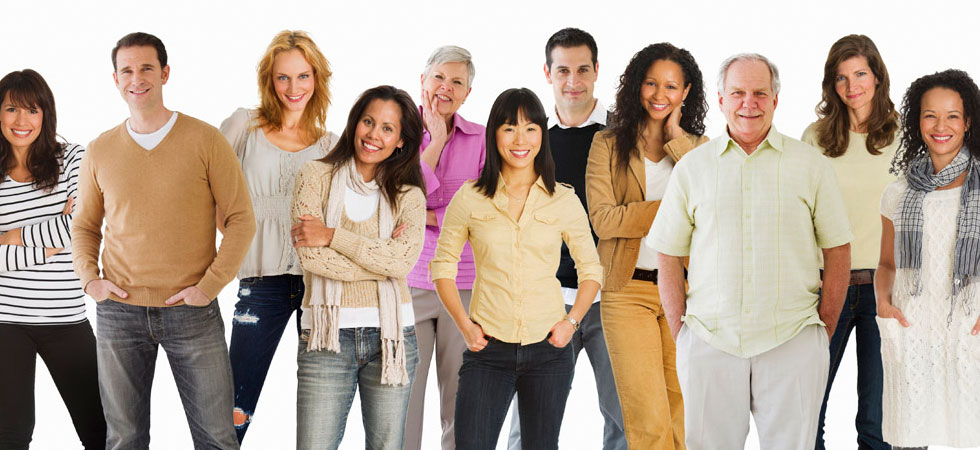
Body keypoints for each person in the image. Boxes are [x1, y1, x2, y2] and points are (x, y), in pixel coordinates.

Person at [649, 53, 853, 449]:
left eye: (760, 93)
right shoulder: (693, 168)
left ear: (776, 100)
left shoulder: (810, 165)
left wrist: (822, 330)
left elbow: (838, 248)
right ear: (722, 99)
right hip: (710, 341)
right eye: (738, 92)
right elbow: (668, 253)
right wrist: (683, 332)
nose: (749, 103)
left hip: (792, 340)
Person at [72, 32, 255, 450]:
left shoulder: (206, 140)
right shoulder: (99, 151)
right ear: (116, 80)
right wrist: (90, 281)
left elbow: (243, 219)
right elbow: (84, 226)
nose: (137, 79)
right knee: (124, 439)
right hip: (119, 313)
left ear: (165, 73)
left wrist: (209, 286)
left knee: (216, 438)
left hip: (191, 312)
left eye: (147, 68)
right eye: (127, 71)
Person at [431, 87, 603, 450]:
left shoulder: (563, 199)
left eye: (530, 128)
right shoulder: (471, 196)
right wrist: (464, 326)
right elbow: (442, 267)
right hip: (487, 350)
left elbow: (592, 270)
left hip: (548, 350)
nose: (520, 139)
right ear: (495, 134)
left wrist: (571, 324)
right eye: (509, 128)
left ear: (542, 133)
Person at [505, 27, 625, 450]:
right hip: (545, 300)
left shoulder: (620, 134)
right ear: (547, 73)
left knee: (625, 417)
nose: (573, 80)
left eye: (582, 70)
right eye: (563, 70)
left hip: (612, 297)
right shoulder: (528, 140)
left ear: (596, 72)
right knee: (531, 422)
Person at [584, 42, 708, 449]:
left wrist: (676, 140)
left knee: (683, 417)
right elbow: (603, 221)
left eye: (671, 86)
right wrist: (674, 205)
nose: (660, 95)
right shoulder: (607, 143)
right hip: (625, 291)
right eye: (651, 83)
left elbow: (710, 210)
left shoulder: (700, 149)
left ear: (686, 91)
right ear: (637, 85)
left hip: (687, 294)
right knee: (648, 420)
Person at [219, 29, 338, 443]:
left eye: (303, 76)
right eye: (283, 77)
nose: (293, 87)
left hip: (317, 287)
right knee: (233, 406)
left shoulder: (330, 146)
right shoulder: (243, 126)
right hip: (260, 285)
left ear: (317, 79)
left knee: (321, 404)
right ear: (269, 80)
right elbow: (204, 185)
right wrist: (235, 232)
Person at [291, 85, 425, 450]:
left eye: (387, 128)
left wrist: (333, 235)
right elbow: (312, 258)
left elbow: (403, 261)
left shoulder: (409, 195)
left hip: (393, 338)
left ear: (400, 140)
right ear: (355, 123)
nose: (373, 135)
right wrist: (383, 261)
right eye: (368, 121)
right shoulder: (313, 176)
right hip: (325, 336)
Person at [801, 34, 899, 450]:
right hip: (829, 286)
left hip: (886, 287)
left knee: (879, 422)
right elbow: (799, 215)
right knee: (807, 413)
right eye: (841, 77)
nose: (851, 85)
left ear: (877, 77)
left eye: (860, 73)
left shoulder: (904, 137)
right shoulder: (816, 137)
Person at [0, 69, 106, 450]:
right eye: (12, 109)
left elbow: (80, 228)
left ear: (46, 114)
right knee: (10, 435)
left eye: (32, 109)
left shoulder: (74, 158)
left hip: (66, 318)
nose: (22, 121)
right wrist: (48, 241)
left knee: (103, 431)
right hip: (5, 321)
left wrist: (10, 236)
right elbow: (61, 232)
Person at [875, 69, 980, 449]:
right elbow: (887, 264)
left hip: (968, 330)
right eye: (930, 115)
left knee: (968, 434)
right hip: (913, 327)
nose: (941, 126)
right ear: (917, 122)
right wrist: (883, 303)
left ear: (967, 123)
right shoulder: (897, 192)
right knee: (909, 437)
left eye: (952, 115)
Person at [404, 45, 486, 450]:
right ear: (422, 81)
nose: (445, 88)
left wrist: (424, 215)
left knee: (460, 401)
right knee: (403, 400)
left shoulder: (482, 139)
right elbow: (397, 205)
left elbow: (486, 215)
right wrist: (433, 142)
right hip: (409, 280)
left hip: (465, 283)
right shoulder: (396, 131)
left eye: (457, 82)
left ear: (468, 93)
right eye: (439, 77)